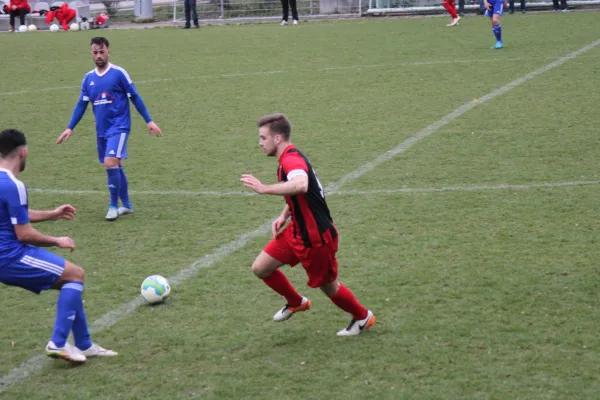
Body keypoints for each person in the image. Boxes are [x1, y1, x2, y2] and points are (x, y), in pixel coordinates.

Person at [240, 114, 375, 337]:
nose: (260, 143)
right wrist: (285, 214)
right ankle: (295, 301)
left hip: (316, 238)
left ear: (278, 138)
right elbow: (300, 190)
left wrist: (263, 188)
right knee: (260, 268)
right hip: (297, 231)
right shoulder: (288, 157)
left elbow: (301, 185)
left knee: (329, 287)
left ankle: (362, 317)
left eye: (263, 138)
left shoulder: (291, 161)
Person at [0, 128, 117, 364]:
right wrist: (57, 240)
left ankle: (84, 344)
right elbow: (23, 234)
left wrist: (51, 215)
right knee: (76, 275)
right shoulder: (13, 185)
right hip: (9, 257)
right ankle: (58, 342)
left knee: (68, 279)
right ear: (23, 152)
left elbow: (15, 215)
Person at [57, 37, 163, 221]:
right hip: (102, 129)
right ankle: (127, 205)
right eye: (95, 52)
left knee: (109, 162)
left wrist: (149, 120)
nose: (99, 56)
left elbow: (135, 97)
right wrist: (70, 127)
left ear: (108, 52)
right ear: (91, 53)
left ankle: (113, 205)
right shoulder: (88, 78)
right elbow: (81, 105)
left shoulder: (119, 73)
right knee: (116, 165)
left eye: (102, 52)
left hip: (119, 126)